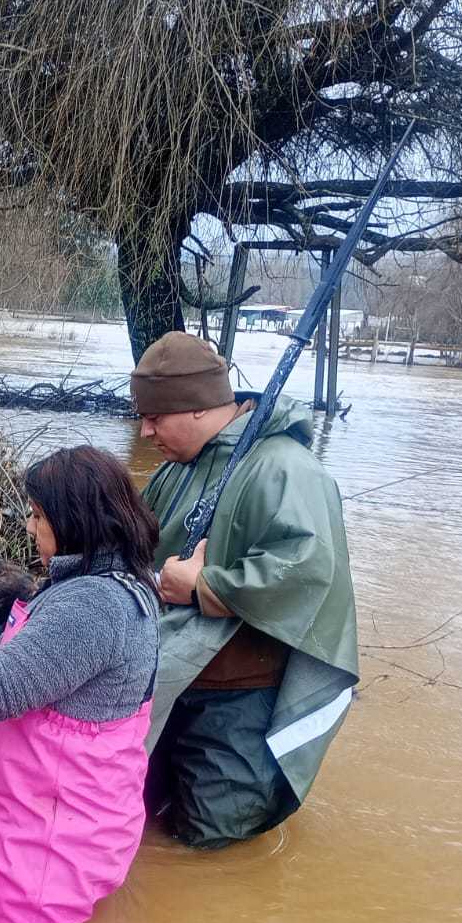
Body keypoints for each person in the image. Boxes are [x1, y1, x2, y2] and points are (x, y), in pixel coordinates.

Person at [0, 446, 160, 923]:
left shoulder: (91, 605)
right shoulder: (123, 583)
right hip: (74, 820)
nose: (30, 529)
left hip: (49, 847)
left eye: (37, 516)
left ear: (75, 521)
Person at [133, 331, 359, 848]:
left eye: (154, 417)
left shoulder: (287, 469)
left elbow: (309, 573)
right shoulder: (178, 469)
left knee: (215, 847)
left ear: (194, 408)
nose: (144, 432)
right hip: (169, 684)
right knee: (144, 825)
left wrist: (203, 586)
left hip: (238, 702)